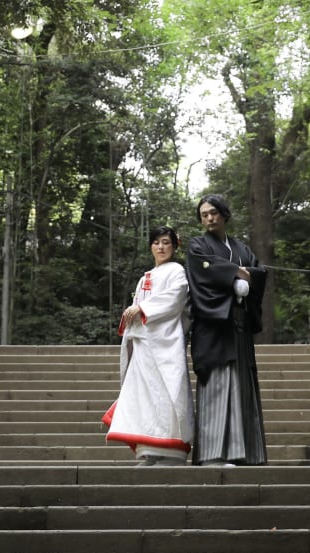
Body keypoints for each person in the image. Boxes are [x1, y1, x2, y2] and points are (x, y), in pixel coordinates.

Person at [184, 194, 267, 465]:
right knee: (217, 386)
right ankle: (212, 455)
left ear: (224, 215)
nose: (209, 218)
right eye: (204, 214)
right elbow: (202, 272)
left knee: (242, 386)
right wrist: (235, 275)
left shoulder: (241, 248)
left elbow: (258, 271)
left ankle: (246, 453)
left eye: (213, 213)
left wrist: (247, 276)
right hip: (214, 326)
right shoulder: (198, 246)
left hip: (239, 327)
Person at [103, 225, 194, 465]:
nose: (161, 247)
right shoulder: (145, 277)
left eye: (166, 242)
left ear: (174, 246)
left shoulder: (177, 272)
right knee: (143, 397)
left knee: (168, 393)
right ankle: (147, 449)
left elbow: (175, 299)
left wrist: (142, 309)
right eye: (156, 242)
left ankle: (172, 450)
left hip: (166, 343)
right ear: (151, 246)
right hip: (143, 345)